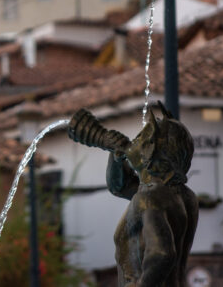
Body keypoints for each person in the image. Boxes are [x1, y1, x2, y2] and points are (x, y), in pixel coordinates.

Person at [68, 104, 198, 287]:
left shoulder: (149, 198)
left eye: (138, 139)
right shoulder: (183, 196)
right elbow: (120, 187)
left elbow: (162, 254)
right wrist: (116, 154)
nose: (132, 142)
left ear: (149, 154)